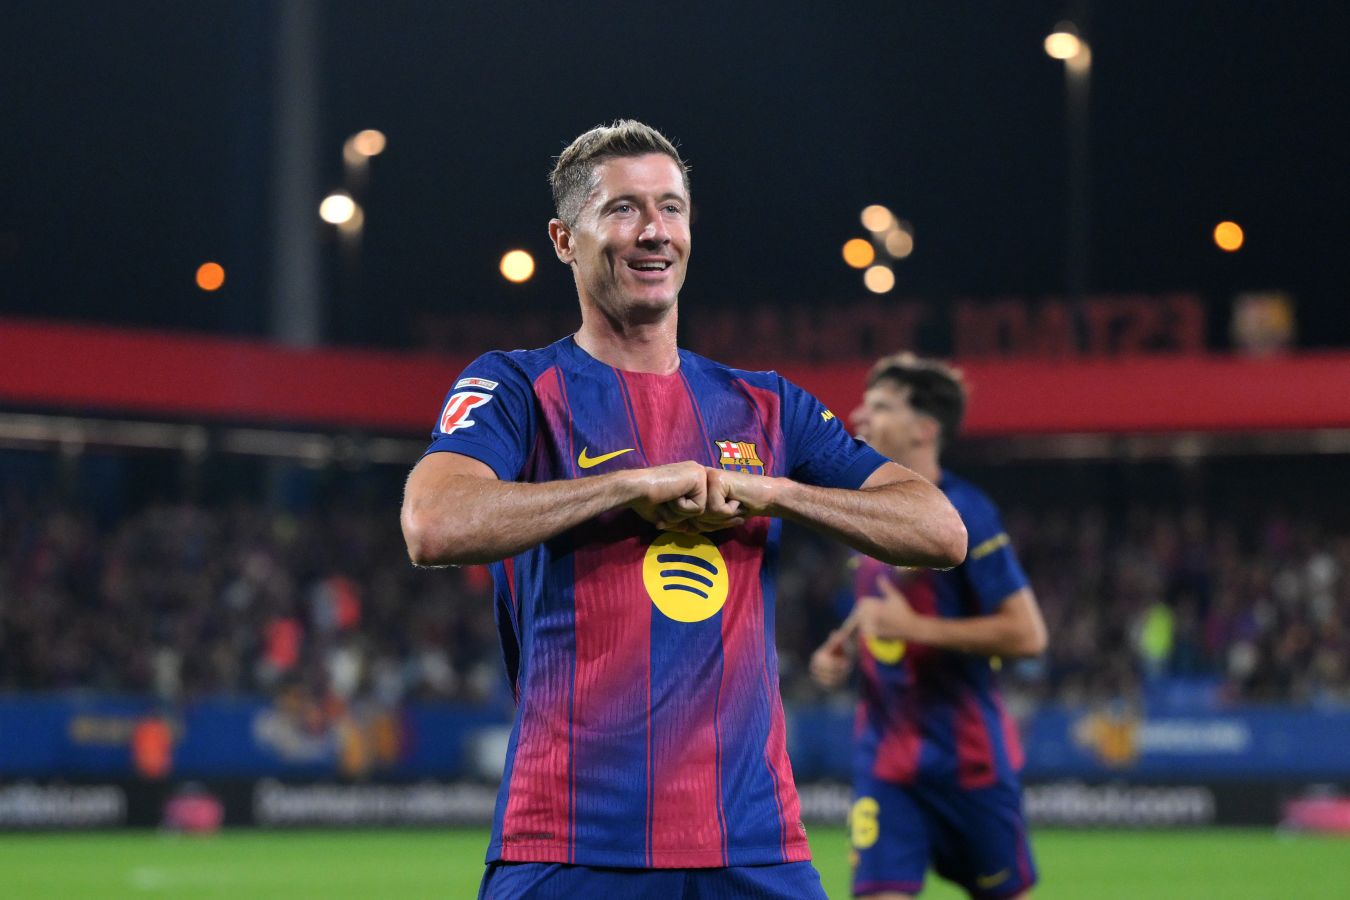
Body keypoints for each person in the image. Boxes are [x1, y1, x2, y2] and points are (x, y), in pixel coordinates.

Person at [401, 120, 967, 899]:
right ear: (564, 241)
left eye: (671, 207)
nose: (655, 231)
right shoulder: (516, 388)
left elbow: (940, 529)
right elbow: (433, 523)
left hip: (754, 842)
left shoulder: (767, 406)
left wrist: (776, 493)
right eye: (623, 209)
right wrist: (626, 486)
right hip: (571, 838)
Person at [809, 353, 1047, 900]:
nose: (859, 416)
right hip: (886, 765)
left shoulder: (967, 513)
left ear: (924, 430)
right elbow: (882, 610)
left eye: (881, 406)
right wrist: (843, 645)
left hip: (968, 764)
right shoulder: (866, 510)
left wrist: (915, 629)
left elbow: (1028, 635)